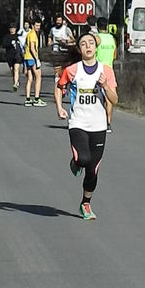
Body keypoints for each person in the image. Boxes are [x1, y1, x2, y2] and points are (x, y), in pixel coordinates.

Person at [54, 31, 118, 220]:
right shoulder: (72, 70)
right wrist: (59, 108)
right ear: (79, 49)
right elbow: (59, 88)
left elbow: (114, 100)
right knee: (83, 159)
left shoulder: (106, 71)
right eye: (84, 44)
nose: (88, 46)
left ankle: (85, 203)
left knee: (92, 171)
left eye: (91, 43)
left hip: (99, 126)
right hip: (78, 123)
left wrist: (106, 86)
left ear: (96, 47)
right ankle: (75, 162)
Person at [96, 17, 117, 133]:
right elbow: (114, 55)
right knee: (110, 98)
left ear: (98, 26)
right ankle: (108, 123)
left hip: (98, 70)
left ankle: (98, 122)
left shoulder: (97, 38)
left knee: (96, 97)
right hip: (110, 70)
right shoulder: (112, 39)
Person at [48, 14, 75, 88]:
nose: (58, 22)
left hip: (65, 52)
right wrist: (49, 42)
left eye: (60, 20)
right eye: (57, 20)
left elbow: (73, 39)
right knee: (57, 71)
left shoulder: (66, 29)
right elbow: (50, 37)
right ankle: (57, 86)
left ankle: (63, 85)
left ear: (62, 21)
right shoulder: (52, 29)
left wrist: (65, 41)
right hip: (56, 52)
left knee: (64, 70)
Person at [23, 19, 46, 106]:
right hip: (32, 58)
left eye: (39, 26)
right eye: (36, 25)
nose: (38, 28)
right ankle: (37, 99)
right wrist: (37, 59)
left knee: (30, 78)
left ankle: (28, 99)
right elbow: (32, 48)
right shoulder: (32, 34)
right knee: (38, 77)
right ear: (32, 26)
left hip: (27, 58)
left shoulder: (29, 34)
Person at [2, 23, 23, 90]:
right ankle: (15, 81)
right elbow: (4, 45)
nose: (12, 30)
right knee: (12, 70)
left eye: (13, 28)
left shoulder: (18, 36)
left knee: (16, 69)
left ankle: (15, 84)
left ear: (15, 29)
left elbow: (22, 44)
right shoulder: (7, 37)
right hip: (9, 56)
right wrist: (10, 44)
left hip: (17, 55)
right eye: (11, 28)